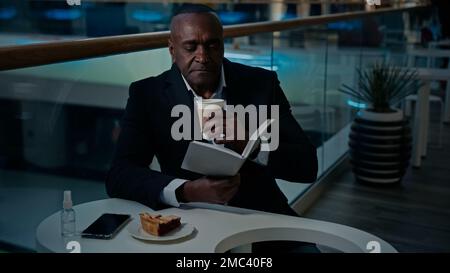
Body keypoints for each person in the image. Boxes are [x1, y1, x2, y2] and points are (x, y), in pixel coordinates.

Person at [106, 4, 318, 250]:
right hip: (187, 226)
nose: (203, 56)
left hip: (264, 220)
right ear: (172, 50)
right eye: (190, 46)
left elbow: (307, 167)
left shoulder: (262, 84)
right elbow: (119, 175)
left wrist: (251, 144)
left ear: (223, 45)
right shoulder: (147, 95)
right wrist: (185, 191)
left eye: (212, 45)